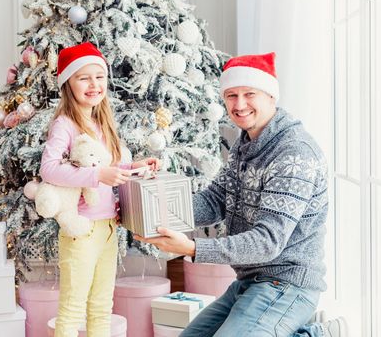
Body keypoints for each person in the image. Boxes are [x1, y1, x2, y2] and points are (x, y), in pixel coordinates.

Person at [135, 52, 348, 337]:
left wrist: (193, 249)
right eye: (231, 96)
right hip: (249, 281)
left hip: (288, 284)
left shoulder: (293, 153)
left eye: (250, 94)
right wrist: (153, 202)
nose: (240, 105)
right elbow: (214, 200)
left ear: (271, 96)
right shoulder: (246, 143)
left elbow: (268, 241)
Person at [39, 42, 159, 337]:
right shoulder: (65, 125)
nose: (94, 84)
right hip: (81, 231)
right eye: (84, 78)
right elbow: (49, 169)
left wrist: (137, 167)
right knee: (72, 309)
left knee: (102, 306)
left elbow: (111, 170)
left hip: (108, 228)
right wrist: (96, 175)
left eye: (99, 76)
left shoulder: (102, 122)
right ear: (69, 84)